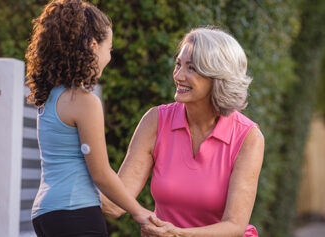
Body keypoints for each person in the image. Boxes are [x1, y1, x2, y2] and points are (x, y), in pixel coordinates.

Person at [101, 26, 265, 236]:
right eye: (178, 64)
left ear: (217, 76)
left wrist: (176, 234)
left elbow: (234, 226)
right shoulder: (156, 121)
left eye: (192, 68)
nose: (178, 75)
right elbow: (115, 205)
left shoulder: (248, 137)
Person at [25, 0, 153, 236]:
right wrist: (140, 212)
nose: (109, 57)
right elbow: (101, 174)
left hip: (46, 213)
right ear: (93, 46)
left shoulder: (50, 97)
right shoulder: (84, 102)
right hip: (75, 212)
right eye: (109, 49)